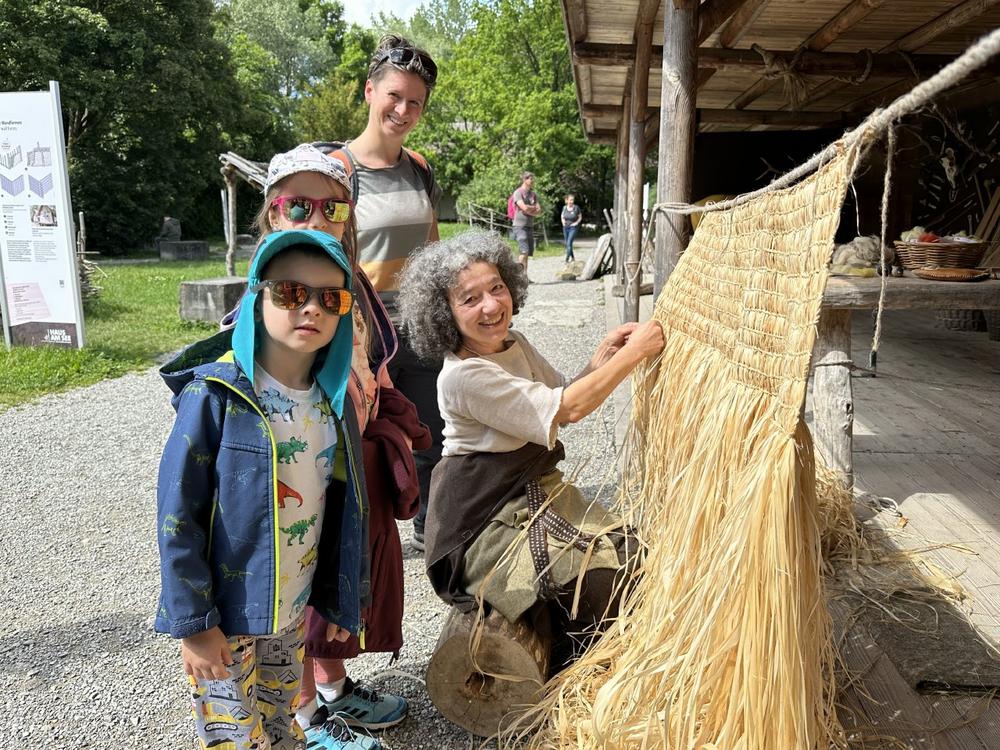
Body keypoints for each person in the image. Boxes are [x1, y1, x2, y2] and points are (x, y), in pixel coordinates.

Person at [397, 230, 665, 659]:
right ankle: (579, 658)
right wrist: (638, 354)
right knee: (591, 573)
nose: (490, 306)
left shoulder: (515, 344)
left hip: (528, 493)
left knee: (627, 550)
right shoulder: (464, 376)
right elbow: (569, 410)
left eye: (497, 288)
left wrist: (604, 356)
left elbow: (564, 394)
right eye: (470, 299)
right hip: (482, 518)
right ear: (443, 313)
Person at [155, 228, 365, 750]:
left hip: (291, 614)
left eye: (330, 298)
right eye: (291, 292)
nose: (310, 308)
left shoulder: (331, 404)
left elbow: (343, 510)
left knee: (282, 722)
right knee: (236, 739)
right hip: (228, 619)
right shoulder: (214, 395)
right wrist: (194, 623)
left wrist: (341, 600)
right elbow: (177, 513)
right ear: (256, 297)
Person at [252, 144, 430, 749]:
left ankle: (333, 684)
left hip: (351, 463)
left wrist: (392, 412)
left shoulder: (350, 280)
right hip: (297, 477)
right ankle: (303, 716)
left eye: (333, 207)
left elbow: (373, 354)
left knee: (341, 581)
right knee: (300, 593)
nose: (318, 218)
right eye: (299, 205)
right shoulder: (268, 293)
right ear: (273, 213)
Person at [330, 35, 443, 555]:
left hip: (419, 325)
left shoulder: (418, 166)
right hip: (363, 332)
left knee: (428, 431)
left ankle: (428, 529)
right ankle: (356, 540)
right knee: (358, 436)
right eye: (394, 96)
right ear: (369, 91)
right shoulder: (338, 172)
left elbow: (433, 244)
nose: (403, 109)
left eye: (415, 102)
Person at [511, 171, 542, 273]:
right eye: (531, 179)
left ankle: (525, 276)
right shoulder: (518, 192)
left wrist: (529, 210)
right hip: (519, 226)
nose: (532, 181)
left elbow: (539, 211)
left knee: (527, 252)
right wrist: (531, 209)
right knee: (524, 251)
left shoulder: (533, 194)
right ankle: (518, 276)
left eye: (533, 179)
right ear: (525, 180)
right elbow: (523, 207)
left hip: (529, 226)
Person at [560, 194, 582, 262]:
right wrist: (563, 222)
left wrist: (576, 223)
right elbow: (562, 216)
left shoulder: (576, 208)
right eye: (570, 200)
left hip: (573, 228)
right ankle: (573, 258)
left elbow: (580, 217)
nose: (571, 201)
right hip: (565, 227)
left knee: (569, 242)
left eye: (572, 200)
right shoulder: (564, 208)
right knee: (568, 243)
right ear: (567, 200)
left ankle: (566, 259)